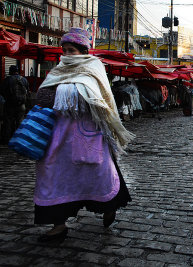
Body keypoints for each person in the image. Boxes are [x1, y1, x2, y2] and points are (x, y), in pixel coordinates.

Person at [34, 28, 135, 242]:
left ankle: (110, 206)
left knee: (100, 174)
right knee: (53, 175)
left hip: (88, 133)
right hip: (58, 136)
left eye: (72, 50)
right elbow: (42, 96)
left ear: (83, 51)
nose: (67, 55)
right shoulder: (57, 71)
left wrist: (62, 94)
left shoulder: (93, 68)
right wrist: (63, 93)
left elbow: (96, 99)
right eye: (65, 50)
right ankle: (58, 225)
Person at [0, 65, 29, 143]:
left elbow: (1, 91)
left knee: (8, 121)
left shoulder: (7, 80)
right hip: (21, 105)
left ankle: (7, 139)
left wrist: (7, 97)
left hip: (10, 104)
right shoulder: (24, 80)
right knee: (20, 121)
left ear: (10, 71)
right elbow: (27, 92)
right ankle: (19, 139)